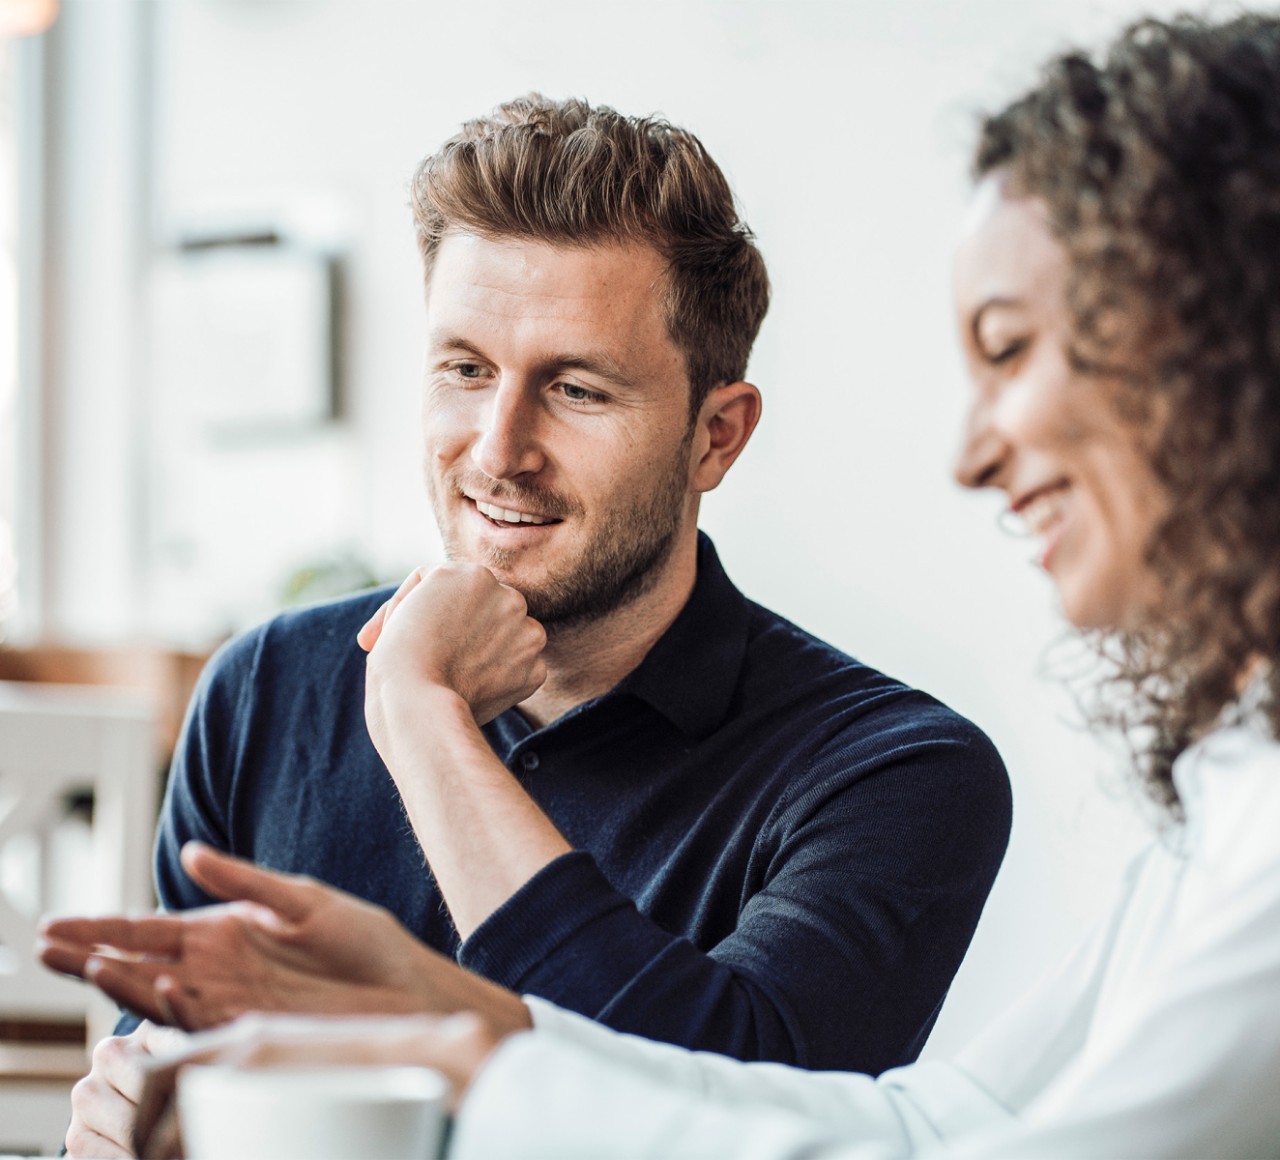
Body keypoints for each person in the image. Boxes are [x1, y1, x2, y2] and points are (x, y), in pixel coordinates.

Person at [49, 11, 1280, 1157]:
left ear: (715, 436)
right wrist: (168, 1094)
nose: (496, 448)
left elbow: (782, 1107)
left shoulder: (895, 769)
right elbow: (933, 1123)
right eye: (463, 368)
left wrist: (422, 726)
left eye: (576, 389)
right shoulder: (266, 687)